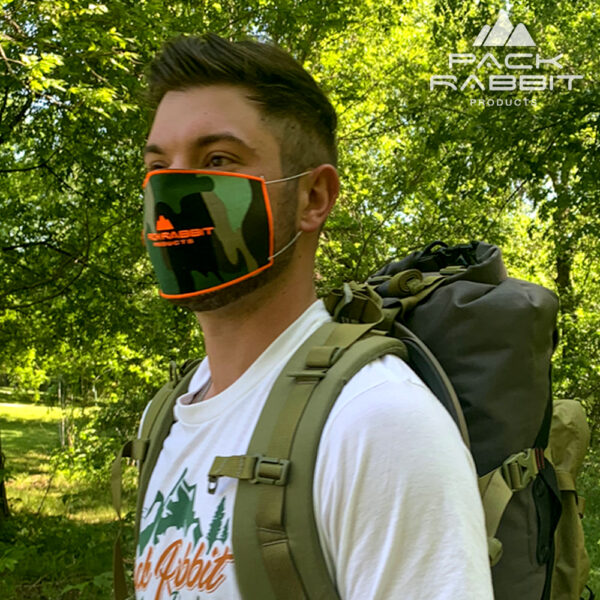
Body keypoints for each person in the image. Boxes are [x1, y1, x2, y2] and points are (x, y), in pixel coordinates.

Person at [135, 32, 494, 599]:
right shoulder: (170, 415)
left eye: (218, 160)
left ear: (313, 199)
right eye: (159, 165)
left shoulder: (376, 424)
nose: (173, 188)